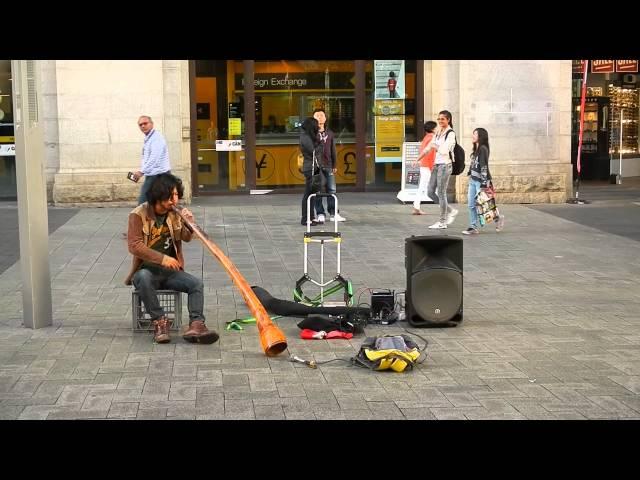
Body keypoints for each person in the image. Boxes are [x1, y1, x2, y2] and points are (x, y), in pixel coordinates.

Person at [124, 173, 219, 345]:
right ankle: (160, 322)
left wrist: (189, 224)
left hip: (169, 272)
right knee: (144, 278)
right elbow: (134, 246)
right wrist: (162, 259)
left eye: (176, 195)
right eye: (171, 196)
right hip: (145, 271)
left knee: (196, 284)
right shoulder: (137, 215)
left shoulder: (174, 214)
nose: (175, 200)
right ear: (159, 195)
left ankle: (197, 324)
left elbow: (185, 238)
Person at [462, 128, 505, 235]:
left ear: (481, 136)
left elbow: (484, 166)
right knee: (472, 205)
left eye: (475, 134)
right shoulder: (476, 149)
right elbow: (475, 164)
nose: (473, 136)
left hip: (481, 182)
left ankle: (498, 218)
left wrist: (484, 183)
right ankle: (473, 227)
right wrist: (469, 173)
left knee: (484, 206)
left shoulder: (483, 149)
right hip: (473, 180)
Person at [422, 110, 459, 229]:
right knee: (430, 191)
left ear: (448, 120)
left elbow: (443, 150)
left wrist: (435, 146)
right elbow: (429, 147)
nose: (440, 121)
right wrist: (418, 158)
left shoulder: (451, 134)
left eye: (442, 119)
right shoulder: (438, 132)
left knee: (442, 193)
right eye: (439, 119)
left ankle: (442, 222)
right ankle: (450, 210)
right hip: (436, 165)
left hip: (445, 165)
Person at [312, 108, 346, 224]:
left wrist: (335, 164)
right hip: (316, 166)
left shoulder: (330, 133)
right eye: (317, 116)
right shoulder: (311, 133)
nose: (320, 117)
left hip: (328, 165)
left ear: (325, 118)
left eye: (322, 115)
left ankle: (333, 213)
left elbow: (333, 150)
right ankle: (320, 214)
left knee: (332, 189)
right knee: (318, 190)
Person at [131, 116, 172, 205]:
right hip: (153, 174)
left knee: (143, 202)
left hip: (159, 175)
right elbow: (147, 158)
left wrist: (141, 171)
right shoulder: (149, 138)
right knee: (159, 202)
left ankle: (141, 218)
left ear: (152, 124)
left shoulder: (156, 138)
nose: (143, 126)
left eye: (145, 123)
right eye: (140, 125)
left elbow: (154, 158)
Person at [299, 117, 324, 226]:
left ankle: (311, 217)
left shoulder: (308, 136)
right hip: (310, 168)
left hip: (314, 167)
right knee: (308, 194)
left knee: (313, 194)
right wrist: (322, 143)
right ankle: (305, 218)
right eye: (316, 125)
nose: (318, 126)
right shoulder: (305, 137)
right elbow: (313, 151)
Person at [411, 120, 438, 215]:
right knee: (424, 186)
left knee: (423, 186)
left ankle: (416, 206)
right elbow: (430, 154)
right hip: (428, 165)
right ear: (432, 129)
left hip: (424, 164)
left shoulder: (426, 137)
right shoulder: (432, 138)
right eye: (436, 127)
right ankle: (416, 206)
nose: (437, 128)